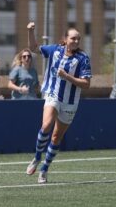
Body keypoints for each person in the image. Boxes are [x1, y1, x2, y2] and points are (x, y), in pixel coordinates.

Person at [26, 22, 92, 184]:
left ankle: (44, 169)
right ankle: (36, 158)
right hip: (52, 94)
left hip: (70, 102)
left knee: (56, 137)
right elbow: (34, 48)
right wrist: (30, 31)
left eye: (78, 39)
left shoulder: (82, 58)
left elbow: (86, 83)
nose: (76, 41)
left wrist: (67, 76)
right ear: (65, 39)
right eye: (73, 38)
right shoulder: (54, 50)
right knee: (46, 125)